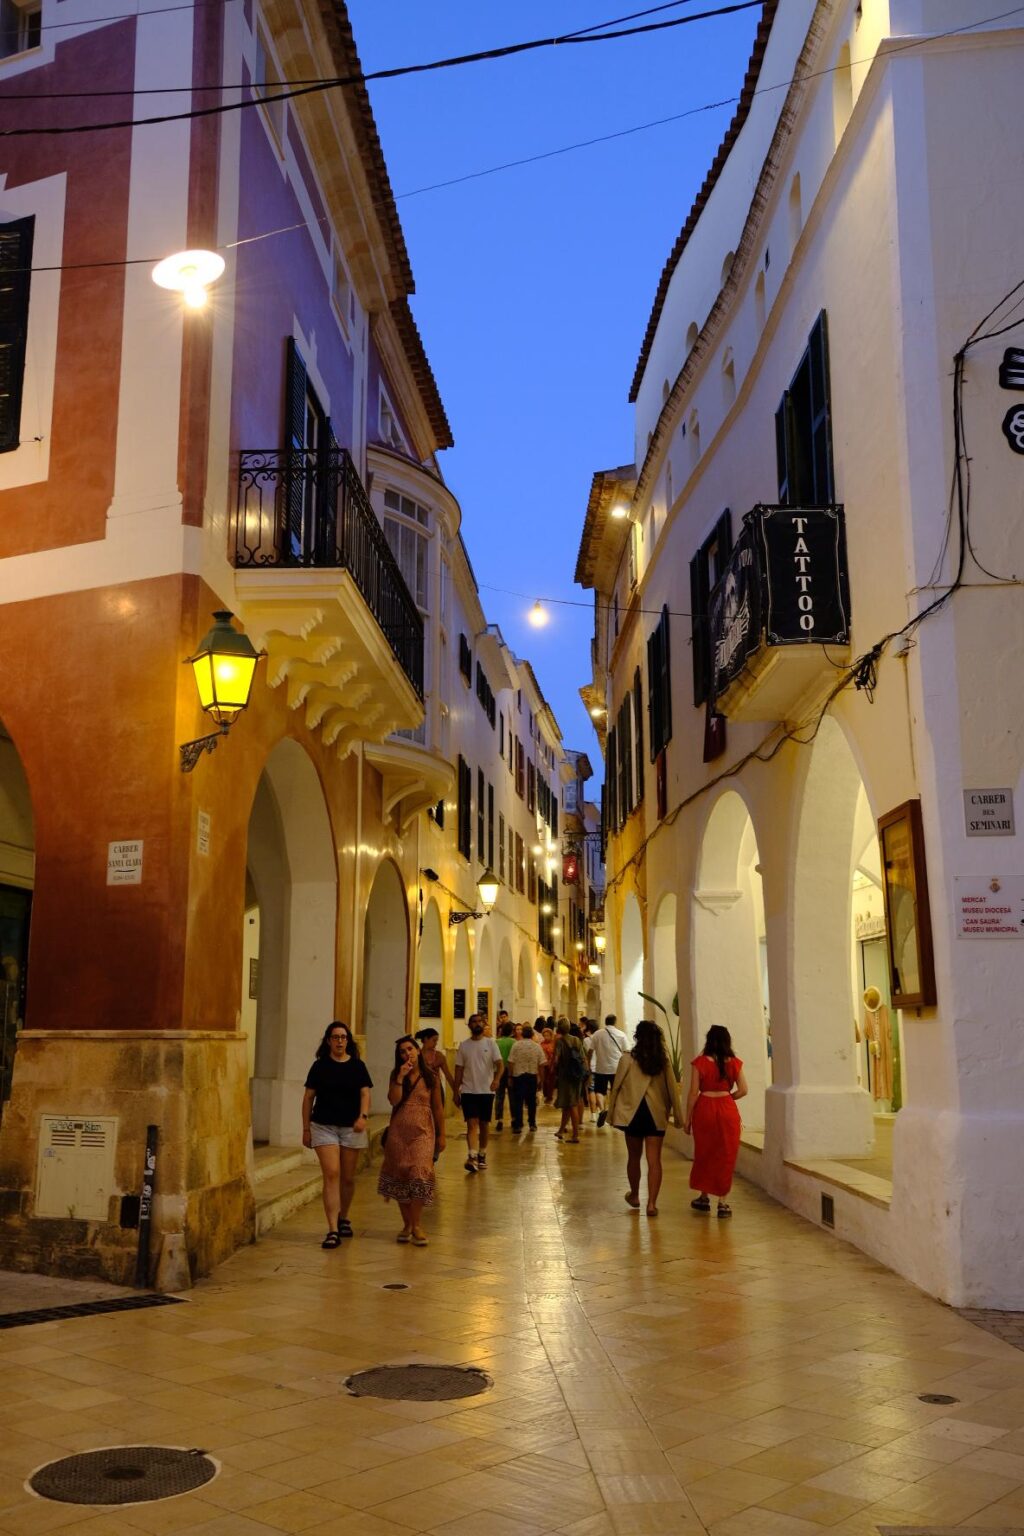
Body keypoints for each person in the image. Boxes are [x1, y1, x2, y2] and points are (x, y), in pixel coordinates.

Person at [301, 1022, 372, 1248]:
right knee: (332, 1173)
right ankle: (332, 1230)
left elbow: (365, 1093)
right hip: (323, 1126)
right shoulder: (319, 1066)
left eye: (343, 1037)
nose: (340, 1041)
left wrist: (363, 1116)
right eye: (335, 1037)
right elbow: (308, 1098)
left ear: (348, 1041)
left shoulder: (358, 1066)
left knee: (347, 1177)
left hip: (351, 1127)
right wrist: (306, 1128)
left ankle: (343, 1218)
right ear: (328, 1041)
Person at [606, 1019, 683, 1217]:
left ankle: (634, 1195)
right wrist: (679, 1116)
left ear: (637, 1037)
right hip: (655, 1114)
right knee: (654, 1159)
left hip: (632, 1114)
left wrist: (611, 1113)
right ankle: (652, 1204)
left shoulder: (628, 1059)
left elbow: (616, 1087)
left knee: (633, 1157)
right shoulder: (662, 1061)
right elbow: (673, 1089)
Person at [378, 1036, 445, 1244]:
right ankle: (407, 1224)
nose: (407, 1054)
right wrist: (400, 1077)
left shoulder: (431, 1077)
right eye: (402, 1051)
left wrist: (442, 1135)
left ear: (417, 1050)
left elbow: (438, 1108)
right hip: (398, 1133)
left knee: (420, 1174)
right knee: (401, 1177)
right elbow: (393, 1100)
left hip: (423, 1133)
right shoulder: (397, 1075)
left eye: (410, 1049)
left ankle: (416, 1224)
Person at [683, 1025, 747, 1217]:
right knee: (726, 1154)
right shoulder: (734, 1063)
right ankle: (723, 1203)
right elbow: (743, 1090)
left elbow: (693, 1093)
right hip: (727, 1110)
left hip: (705, 1109)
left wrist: (687, 1118)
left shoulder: (700, 1062)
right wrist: (728, 1098)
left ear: (709, 1040)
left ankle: (704, 1197)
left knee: (705, 1152)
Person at [454, 1014, 502, 1172]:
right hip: (468, 1090)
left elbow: (500, 1065)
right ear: (469, 1025)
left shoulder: (491, 1043)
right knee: (471, 1123)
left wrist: (496, 1080)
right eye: (474, 1022)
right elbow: (459, 1070)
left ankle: (482, 1154)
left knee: (484, 1124)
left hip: (486, 1091)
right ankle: (472, 1156)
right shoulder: (464, 1046)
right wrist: (455, 1091)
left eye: (479, 1021)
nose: (477, 1024)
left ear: (483, 1024)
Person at [553, 1018, 588, 1143]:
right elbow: (583, 1058)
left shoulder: (559, 1041)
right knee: (568, 1104)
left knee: (572, 1104)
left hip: (565, 1076)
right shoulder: (576, 1040)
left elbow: (556, 1060)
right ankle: (561, 1130)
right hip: (577, 1075)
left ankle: (575, 1135)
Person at [507, 1024, 546, 1132]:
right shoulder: (537, 1047)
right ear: (532, 1034)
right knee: (531, 1101)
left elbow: (510, 1062)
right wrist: (541, 1079)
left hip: (518, 1076)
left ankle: (518, 1124)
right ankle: (532, 1123)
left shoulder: (516, 1045)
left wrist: (510, 1076)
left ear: (523, 1034)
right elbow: (542, 1064)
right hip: (532, 1076)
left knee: (518, 1101)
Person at [591, 1014, 629, 1127]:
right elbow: (627, 1051)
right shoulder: (621, 1034)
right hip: (616, 1068)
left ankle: (602, 1110)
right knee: (615, 1091)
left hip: (600, 1068)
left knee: (599, 1091)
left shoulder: (597, 1034)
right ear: (615, 1022)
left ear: (605, 1022)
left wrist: (588, 1063)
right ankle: (613, 1114)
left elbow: (590, 1051)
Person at [414, 1027, 456, 1103]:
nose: (436, 1043)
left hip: (436, 1089)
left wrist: (456, 1092)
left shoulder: (439, 1056)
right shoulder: (416, 1055)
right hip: (420, 1088)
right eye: (434, 1040)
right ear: (426, 1039)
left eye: (437, 1041)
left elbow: (448, 1075)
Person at [494, 1020, 515, 1131]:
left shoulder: (496, 1042)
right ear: (512, 1031)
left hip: (499, 1071)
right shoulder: (514, 1042)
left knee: (499, 1095)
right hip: (511, 1071)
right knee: (512, 1096)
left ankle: (499, 1120)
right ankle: (514, 1118)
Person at [539, 1023, 556, 1104]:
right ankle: (546, 1094)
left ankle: (549, 1096)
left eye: (548, 1035)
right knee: (544, 1080)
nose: (546, 1037)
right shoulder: (542, 1044)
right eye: (545, 1035)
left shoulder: (554, 1043)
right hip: (544, 1064)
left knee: (550, 1081)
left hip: (552, 1064)